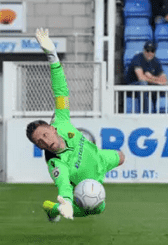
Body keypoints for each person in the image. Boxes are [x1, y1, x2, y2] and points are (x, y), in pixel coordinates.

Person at [28, 28, 126, 221]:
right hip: (88, 183)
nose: (44, 142)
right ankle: (55, 208)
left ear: (52, 128)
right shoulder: (56, 163)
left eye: (45, 135)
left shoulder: (61, 120)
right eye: (39, 142)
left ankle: (55, 209)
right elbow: (63, 183)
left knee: (122, 156)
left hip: (100, 158)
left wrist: (52, 56)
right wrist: (64, 201)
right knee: (97, 207)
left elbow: (61, 91)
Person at [124, 41, 167, 113]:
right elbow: (141, 78)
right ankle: (145, 113)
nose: (149, 53)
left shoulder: (156, 61)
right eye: (147, 50)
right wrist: (157, 81)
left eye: (152, 51)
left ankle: (161, 115)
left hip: (149, 86)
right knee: (143, 84)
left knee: (164, 88)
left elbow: (165, 81)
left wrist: (151, 77)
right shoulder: (137, 58)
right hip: (133, 87)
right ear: (144, 50)